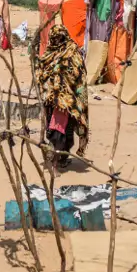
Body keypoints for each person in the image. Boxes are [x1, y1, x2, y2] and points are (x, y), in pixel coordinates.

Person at [35, 25, 89, 170]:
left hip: (68, 100)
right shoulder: (49, 54)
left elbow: (78, 74)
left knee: (62, 130)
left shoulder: (72, 52)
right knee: (53, 128)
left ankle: (60, 158)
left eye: (60, 38)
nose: (57, 40)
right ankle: (58, 157)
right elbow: (41, 72)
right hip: (52, 99)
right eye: (55, 38)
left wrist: (61, 80)